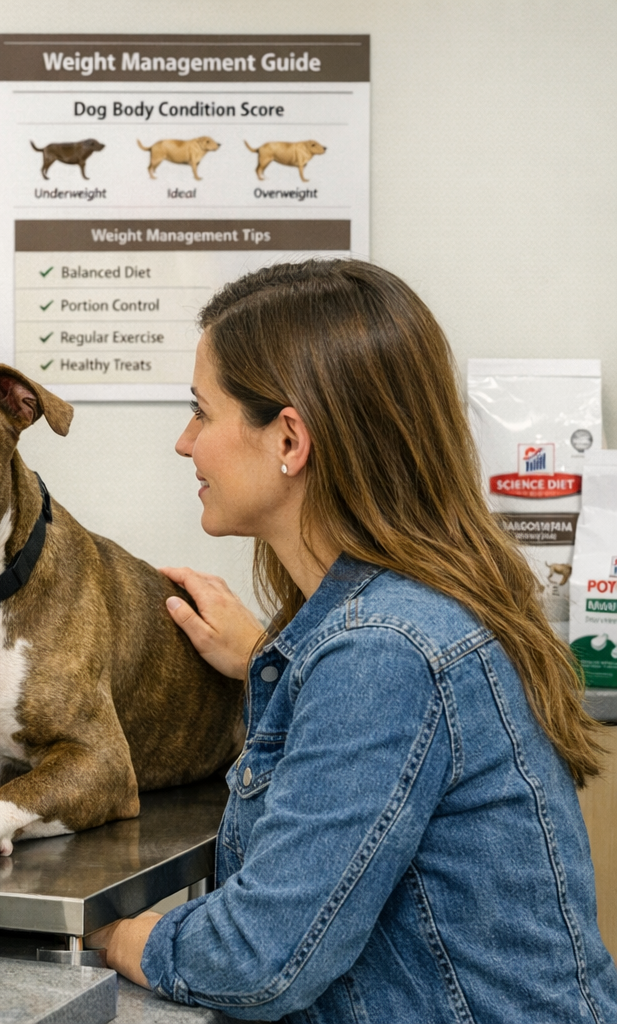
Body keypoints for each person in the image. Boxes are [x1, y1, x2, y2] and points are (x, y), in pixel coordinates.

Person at [98, 260, 617, 1021]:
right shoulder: (402, 621)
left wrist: (109, 937)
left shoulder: (381, 651)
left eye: (200, 412)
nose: (186, 444)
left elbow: (256, 959)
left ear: (289, 438)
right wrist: (269, 665)